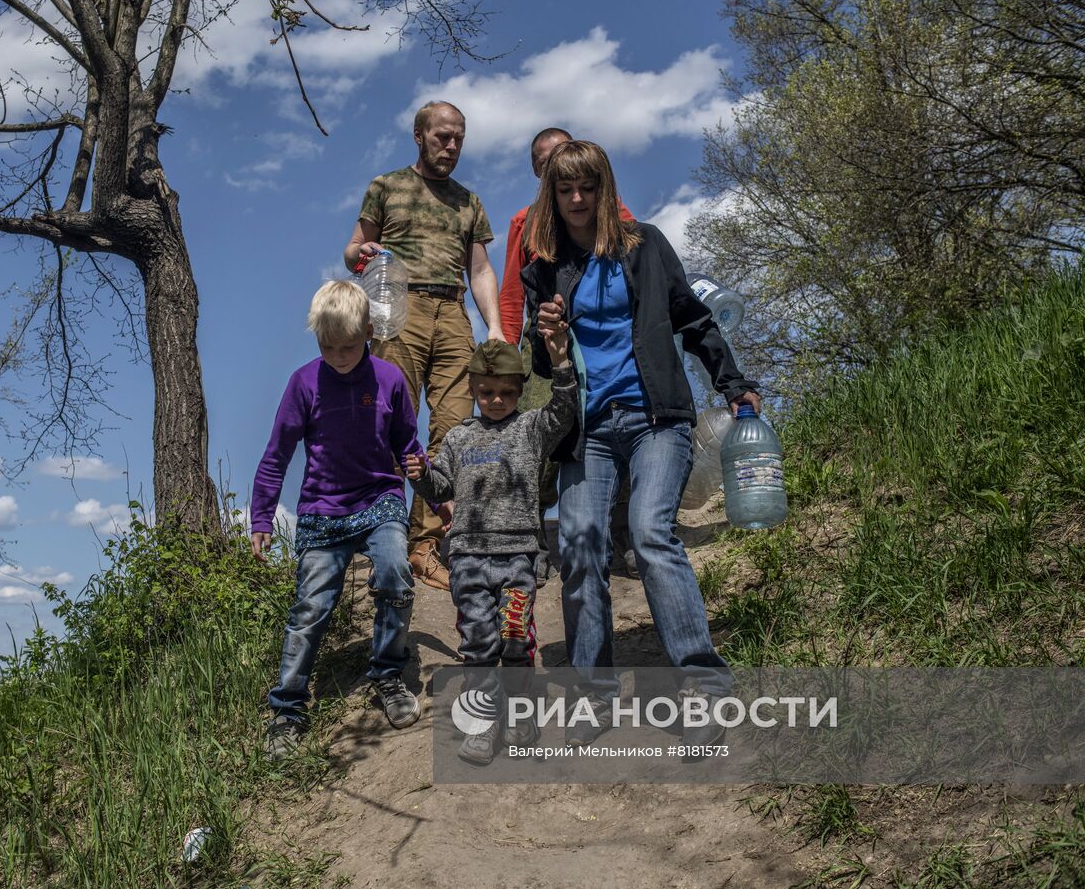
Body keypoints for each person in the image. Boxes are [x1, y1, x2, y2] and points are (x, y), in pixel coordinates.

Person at [521, 141, 762, 749]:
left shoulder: (645, 245)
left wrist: (733, 385)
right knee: (579, 544)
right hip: (589, 430)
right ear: (552, 196)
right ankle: (593, 697)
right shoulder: (543, 270)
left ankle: (708, 692)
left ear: (604, 189)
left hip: (657, 417)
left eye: (588, 188)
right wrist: (547, 343)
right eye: (565, 190)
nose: (577, 200)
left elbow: (693, 319)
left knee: (652, 534)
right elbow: (548, 371)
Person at [251, 280, 425, 760]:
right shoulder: (304, 383)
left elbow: (408, 444)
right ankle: (287, 710)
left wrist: (418, 465)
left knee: (394, 572)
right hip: (323, 510)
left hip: (379, 498)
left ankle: (387, 674)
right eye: (328, 347)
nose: (339, 356)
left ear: (369, 332)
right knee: (310, 608)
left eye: (348, 346)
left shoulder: (389, 379)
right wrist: (261, 518)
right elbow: (276, 455)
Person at [345, 100, 504, 593]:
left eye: (458, 137)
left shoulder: (469, 200)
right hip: (398, 308)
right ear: (419, 135)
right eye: (442, 136)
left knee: (455, 428)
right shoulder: (386, 186)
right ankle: (385, 539)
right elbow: (353, 248)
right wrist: (361, 254)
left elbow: (478, 270)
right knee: (395, 422)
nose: (451, 145)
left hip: (454, 313)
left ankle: (426, 545)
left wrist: (494, 327)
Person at [404, 336, 576, 764]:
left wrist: (561, 364)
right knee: (478, 644)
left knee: (516, 637)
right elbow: (439, 486)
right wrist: (419, 474)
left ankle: (519, 712)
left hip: (519, 553)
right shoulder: (459, 438)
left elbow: (564, 412)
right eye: (486, 392)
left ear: (519, 391)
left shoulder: (532, 428)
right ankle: (483, 722)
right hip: (467, 558)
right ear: (474, 390)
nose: (497, 400)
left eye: (507, 392)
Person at [497, 127, 638, 585]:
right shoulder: (525, 221)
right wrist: (507, 349)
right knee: (539, 439)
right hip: (545, 343)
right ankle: (532, 545)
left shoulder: (615, 212)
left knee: (618, 428)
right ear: (540, 173)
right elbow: (514, 291)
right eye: (544, 161)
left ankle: (625, 537)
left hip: (605, 342)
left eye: (561, 154)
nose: (554, 164)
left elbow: (635, 275)